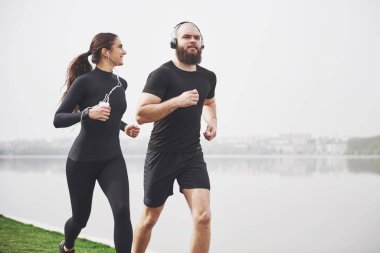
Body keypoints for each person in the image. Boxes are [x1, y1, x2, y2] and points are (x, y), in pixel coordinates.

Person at [133, 21, 217, 253]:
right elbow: (141, 115)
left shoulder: (208, 77)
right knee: (149, 219)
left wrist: (212, 121)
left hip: (192, 154)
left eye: (197, 38)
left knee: (203, 217)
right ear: (174, 43)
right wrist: (177, 102)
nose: (192, 41)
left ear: (202, 43)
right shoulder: (161, 75)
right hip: (162, 154)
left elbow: (209, 102)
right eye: (186, 37)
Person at [53, 32, 140, 253]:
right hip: (81, 161)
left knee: (122, 211)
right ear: (106, 52)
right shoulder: (84, 83)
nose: (125, 51)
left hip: (112, 158)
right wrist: (87, 113)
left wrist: (123, 126)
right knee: (81, 219)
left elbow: (110, 114)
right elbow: (58, 119)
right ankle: (67, 245)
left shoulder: (122, 83)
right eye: (120, 46)